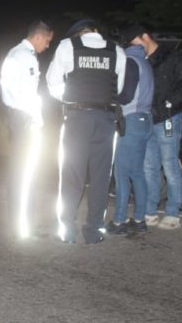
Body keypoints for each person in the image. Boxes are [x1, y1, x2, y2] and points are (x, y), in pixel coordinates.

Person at [46, 18, 126, 244]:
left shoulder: (67, 47)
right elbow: (117, 88)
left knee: (72, 174)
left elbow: (52, 82)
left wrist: (70, 97)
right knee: (101, 177)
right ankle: (93, 232)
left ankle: (67, 231)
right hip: (106, 119)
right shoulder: (117, 51)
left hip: (77, 117)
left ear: (77, 35)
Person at [122, 25, 182, 230]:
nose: (134, 48)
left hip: (168, 119)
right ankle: (150, 211)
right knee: (149, 167)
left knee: (170, 165)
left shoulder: (173, 57)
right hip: (147, 119)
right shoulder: (142, 61)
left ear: (145, 37)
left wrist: (169, 104)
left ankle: (173, 212)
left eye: (135, 43)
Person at [0, 20, 54, 238]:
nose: (48, 46)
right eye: (48, 41)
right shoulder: (25, 56)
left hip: (17, 117)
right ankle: (24, 225)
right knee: (26, 172)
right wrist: (35, 119)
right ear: (38, 37)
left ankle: (21, 221)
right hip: (25, 119)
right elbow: (28, 94)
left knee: (21, 171)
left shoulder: (14, 53)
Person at [105, 31, 155, 235]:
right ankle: (140, 219)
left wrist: (111, 97)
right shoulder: (145, 62)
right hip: (145, 120)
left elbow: (126, 95)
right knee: (137, 173)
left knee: (122, 173)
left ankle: (119, 221)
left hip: (131, 121)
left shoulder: (131, 61)